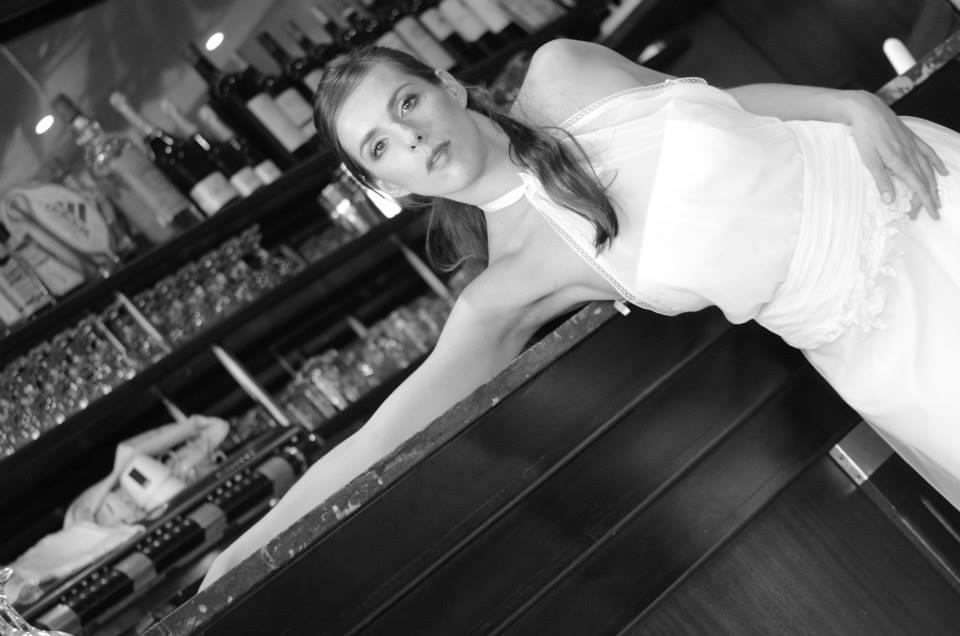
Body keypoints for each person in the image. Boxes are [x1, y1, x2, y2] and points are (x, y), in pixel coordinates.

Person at [201, 38, 959, 589]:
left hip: (917, 194)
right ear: (387, 186)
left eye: (408, 103)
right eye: (380, 147)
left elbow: (726, 104)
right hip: (876, 345)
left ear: (448, 87)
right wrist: (236, 554)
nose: (412, 135)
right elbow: (380, 436)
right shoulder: (506, 289)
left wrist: (850, 104)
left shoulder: (564, 70)